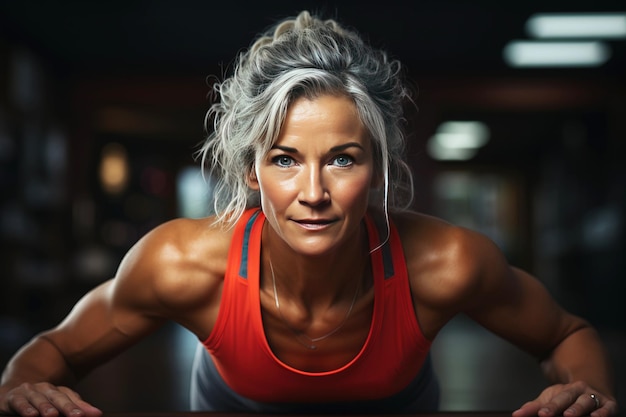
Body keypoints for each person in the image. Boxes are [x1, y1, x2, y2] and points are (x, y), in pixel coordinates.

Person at [0, 10, 618, 417]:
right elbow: (49, 351)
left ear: (375, 169)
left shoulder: (448, 263)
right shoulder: (179, 264)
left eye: (343, 160)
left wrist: (589, 396)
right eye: (286, 159)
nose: (314, 191)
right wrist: (22, 393)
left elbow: (568, 334)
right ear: (251, 171)